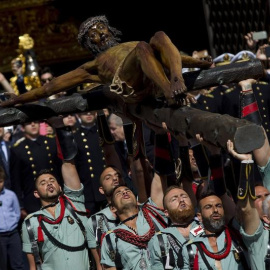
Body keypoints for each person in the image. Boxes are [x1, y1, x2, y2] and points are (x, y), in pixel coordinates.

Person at [2, 15, 212, 108]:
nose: (99, 33)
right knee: (142, 47)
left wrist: (197, 63)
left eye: (101, 27)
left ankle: (176, 81)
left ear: (109, 29)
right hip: (129, 86)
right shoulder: (92, 66)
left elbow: (165, 56)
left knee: (158, 36)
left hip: (154, 75)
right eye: (92, 34)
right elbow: (50, 88)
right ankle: (170, 92)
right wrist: (17, 100)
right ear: (89, 43)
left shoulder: (133, 44)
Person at [21, 118, 90, 270]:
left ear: (60, 188)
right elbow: (33, 265)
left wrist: (59, 126)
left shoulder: (74, 203)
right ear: (36, 193)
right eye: (43, 183)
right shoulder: (31, 222)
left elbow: (69, 166)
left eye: (52, 180)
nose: (49, 183)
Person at [100, 168, 167, 269]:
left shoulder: (152, 213)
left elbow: (159, 178)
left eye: (127, 190)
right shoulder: (110, 238)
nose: (124, 192)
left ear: (136, 201)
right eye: (119, 193)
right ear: (113, 208)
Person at [10, 121, 62, 216]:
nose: (33, 124)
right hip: (33, 200)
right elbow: (16, 181)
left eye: (36, 122)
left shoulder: (51, 142)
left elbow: (60, 171)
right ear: (22, 128)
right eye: (29, 123)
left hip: (55, 194)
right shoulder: (18, 149)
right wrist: (20, 206)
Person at [148, 185, 202, 269]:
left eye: (184, 196)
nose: (181, 200)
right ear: (166, 213)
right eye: (174, 199)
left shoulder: (207, 228)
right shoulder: (159, 240)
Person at [86, 166, 124, 270]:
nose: (115, 178)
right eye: (108, 178)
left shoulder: (140, 210)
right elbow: (100, 264)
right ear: (101, 190)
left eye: (118, 176)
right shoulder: (95, 222)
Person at [0, 166, 24, 270]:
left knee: (17, 263)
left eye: (0, 181)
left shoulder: (10, 195)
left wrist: (13, 223)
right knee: (2, 264)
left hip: (13, 233)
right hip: (0, 236)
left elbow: (17, 212)